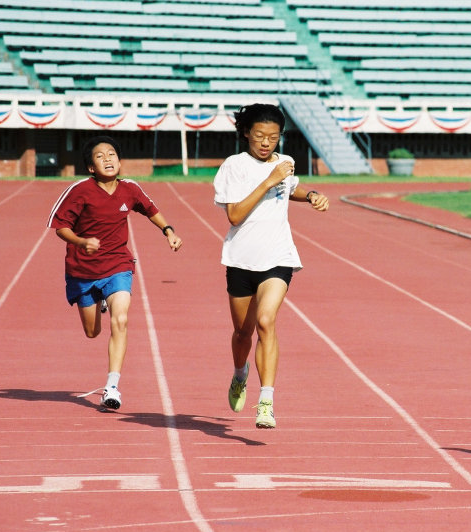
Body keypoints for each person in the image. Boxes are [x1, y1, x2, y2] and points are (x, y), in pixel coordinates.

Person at [213, 103, 329, 429]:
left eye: (273, 137)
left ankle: (266, 401)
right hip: (240, 260)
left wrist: (311, 194)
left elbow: (290, 188)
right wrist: (268, 180)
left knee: (266, 321)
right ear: (246, 133)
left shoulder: (284, 164)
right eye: (260, 135)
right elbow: (235, 215)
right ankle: (240, 374)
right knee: (242, 333)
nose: (266, 143)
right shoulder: (234, 166)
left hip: (278, 258)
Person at [47, 135, 183, 410]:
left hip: (118, 265)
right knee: (92, 331)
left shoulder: (130, 189)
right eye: (100, 156)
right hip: (83, 270)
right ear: (91, 167)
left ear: (120, 161)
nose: (107, 159)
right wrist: (81, 242)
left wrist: (169, 231)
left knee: (121, 319)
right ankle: (99, 302)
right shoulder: (80, 191)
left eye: (112, 155)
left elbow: (151, 209)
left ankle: (112, 386)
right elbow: (60, 227)